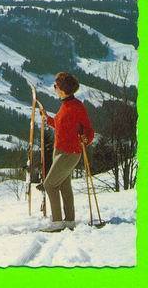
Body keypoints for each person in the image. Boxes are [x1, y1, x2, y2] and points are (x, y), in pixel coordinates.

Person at [38, 72, 94, 232]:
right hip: (60, 150)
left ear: (62, 89)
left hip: (70, 153)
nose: (54, 88)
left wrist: (86, 139)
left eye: (56, 86)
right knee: (64, 185)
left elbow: (89, 130)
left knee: (49, 185)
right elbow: (61, 125)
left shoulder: (77, 106)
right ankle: (69, 221)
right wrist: (47, 119)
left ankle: (57, 223)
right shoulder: (65, 105)